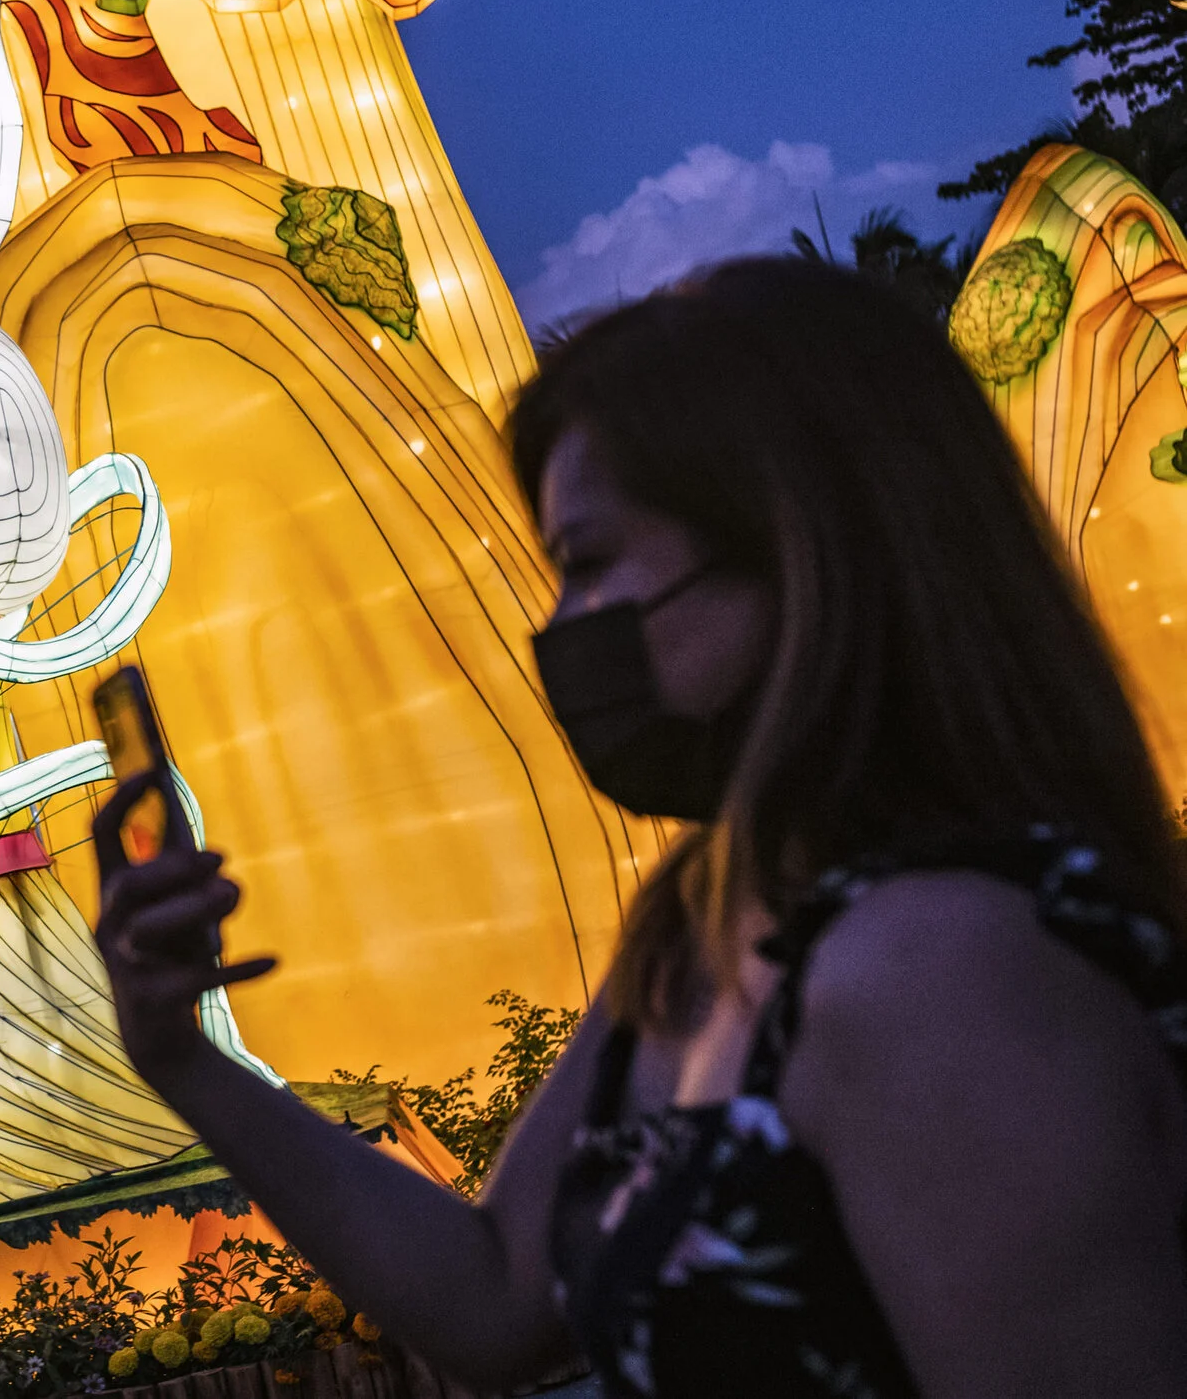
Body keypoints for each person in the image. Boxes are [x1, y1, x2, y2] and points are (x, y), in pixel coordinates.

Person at [93, 256, 1187, 1397]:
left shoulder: (939, 964)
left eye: (590, 562)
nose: (563, 627)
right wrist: (181, 1054)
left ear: (793, 542)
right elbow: (493, 1297)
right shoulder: (711, 917)